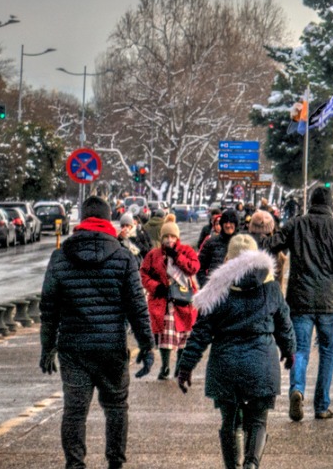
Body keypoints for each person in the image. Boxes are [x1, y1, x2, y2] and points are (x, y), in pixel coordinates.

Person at [40, 194, 155, 469]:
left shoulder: (60, 257)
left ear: (81, 220)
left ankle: (75, 464)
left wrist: (47, 347)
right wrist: (147, 346)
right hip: (111, 347)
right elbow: (137, 307)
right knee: (116, 408)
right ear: (107, 219)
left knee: (75, 411)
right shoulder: (124, 257)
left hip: (73, 349)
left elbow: (49, 309)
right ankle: (115, 462)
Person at [175, 234, 294, 469]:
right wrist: (289, 350)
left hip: (226, 362)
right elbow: (284, 323)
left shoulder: (216, 291)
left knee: (230, 420)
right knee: (258, 420)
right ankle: (251, 463)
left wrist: (186, 366)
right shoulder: (271, 288)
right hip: (262, 361)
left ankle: (233, 466)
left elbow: (200, 334)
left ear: (228, 259)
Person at [263, 185, 333, 423]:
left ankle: (297, 389)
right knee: (327, 353)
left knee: (300, 350)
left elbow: (273, 245)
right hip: (331, 301)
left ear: (310, 202)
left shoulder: (296, 224)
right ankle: (322, 405)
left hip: (300, 299)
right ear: (330, 205)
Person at [139, 221, 201, 382]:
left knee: (184, 336)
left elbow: (194, 267)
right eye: (166, 236)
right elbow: (144, 274)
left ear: (177, 237)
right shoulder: (153, 255)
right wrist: (155, 286)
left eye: (172, 236)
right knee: (165, 336)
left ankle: (179, 367)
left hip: (183, 300)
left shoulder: (186, 251)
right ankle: (165, 366)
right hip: (164, 301)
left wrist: (177, 257)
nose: (169, 239)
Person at [200, 210, 240, 277]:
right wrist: (206, 284)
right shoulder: (211, 242)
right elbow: (200, 267)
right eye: (225, 222)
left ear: (236, 224)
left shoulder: (243, 243)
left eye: (231, 222)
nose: (228, 225)